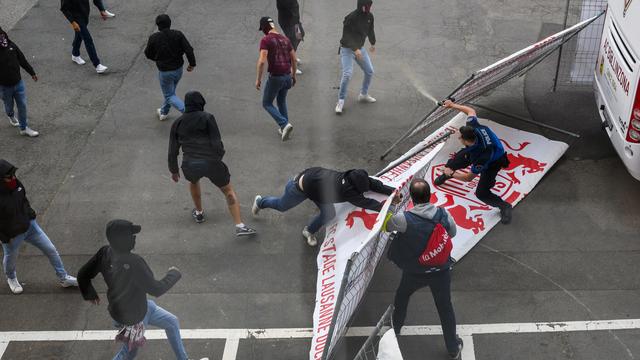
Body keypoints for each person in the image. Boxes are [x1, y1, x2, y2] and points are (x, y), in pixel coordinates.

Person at [78, 220, 191, 360]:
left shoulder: (105, 252)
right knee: (128, 353)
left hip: (134, 307)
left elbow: (83, 274)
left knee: (172, 322)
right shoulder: (134, 262)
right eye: (131, 235)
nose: (134, 238)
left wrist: (89, 293)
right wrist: (173, 274)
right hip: (133, 319)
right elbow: (156, 289)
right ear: (123, 239)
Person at [383, 179, 463, 359]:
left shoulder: (403, 219)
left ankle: (395, 332)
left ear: (412, 197)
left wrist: (392, 205)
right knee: (445, 308)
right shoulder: (443, 214)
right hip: (440, 272)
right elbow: (452, 233)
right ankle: (452, 347)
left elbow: (386, 225)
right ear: (430, 196)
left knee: (401, 298)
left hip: (414, 272)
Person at [168, 91, 257, 236]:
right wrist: (218, 158)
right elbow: (216, 142)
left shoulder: (177, 123)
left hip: (190, 163)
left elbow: (173, 149)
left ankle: (199, 212)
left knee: (194, 182)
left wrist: (174, 170)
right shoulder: (207, 118)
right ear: (201, 102)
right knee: (228, 190)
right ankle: (239, 225)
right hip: (211, 161)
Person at [252, 167, 398, 246]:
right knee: (282, 206)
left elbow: (373, 184)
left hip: (315, 181)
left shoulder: (355, 176)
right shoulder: (347, 191)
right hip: (300, 188)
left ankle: (308, 231)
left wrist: (393, 192)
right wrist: (385, 208)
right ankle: (261, 202)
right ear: (354, 187)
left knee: (328, 213)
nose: (366, 189)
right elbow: (365, 202)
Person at [0, 159, 78, 294]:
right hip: (12, 234)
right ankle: (11, 278)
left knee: (51, 249)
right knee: (10, 259)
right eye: (9, 177)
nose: (13, 178)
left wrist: (30, 212)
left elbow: (23, 199)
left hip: (30, 226)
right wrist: (5, 238)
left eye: (13, 175)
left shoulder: (15, 184)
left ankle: (63, 277)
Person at [434, 100, 513, 224]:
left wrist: (451, 173)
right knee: (454, 162)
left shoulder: (482, 158)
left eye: (460, 137)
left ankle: (504, 206)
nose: (458, 138)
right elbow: (471, 111)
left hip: (493, 161)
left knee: (482, 192)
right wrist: (452, 105)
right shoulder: (473, 127)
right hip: (475, 151)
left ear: (466, 141)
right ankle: (447, 173)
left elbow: (468, 178)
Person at [144, 14, 196, 121]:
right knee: (171, 93)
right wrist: (192, 64)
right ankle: (164, 112)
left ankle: (190, 114)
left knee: (169, 95)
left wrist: (158, 59)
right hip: (178, 70)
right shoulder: (178, 34)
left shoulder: (154, 38)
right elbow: (189, 50)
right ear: (170, 23)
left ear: (158, 26)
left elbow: (148, 54)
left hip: (165, 72)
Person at [256, 16, 297, 142]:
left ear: (264, 28)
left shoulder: (266, 40)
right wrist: (293, 75)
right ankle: (284, 128)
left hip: (276, 77)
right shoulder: (285, 39)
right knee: (281, 100)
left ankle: (284, 124)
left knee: (267, 103)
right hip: (287, 77)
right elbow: (294, 59)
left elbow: (262, 61)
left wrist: (258, 79)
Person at [335, 0, 377, 114]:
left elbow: (370, 30)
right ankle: (341, 101)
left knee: (369, 71)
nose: (368, 8)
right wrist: (355, 49)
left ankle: (363, 94)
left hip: (360, 49)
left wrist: (373, 43)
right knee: (347, 74)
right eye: (367, 5)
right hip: (347, 49)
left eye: (370, 5)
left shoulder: (369, 17)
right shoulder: (351, 18)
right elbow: (346, 37)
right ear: (361, 5)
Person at [0, 27, 39, 137]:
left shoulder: (11, 45)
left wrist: (32, 73)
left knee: (22, 105)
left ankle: (23, 128)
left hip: (18, 83)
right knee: (9, 105)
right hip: (4, 87)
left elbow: (22, 59)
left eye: (2, 34)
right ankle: (10, 115)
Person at [60, 0, 108, 73]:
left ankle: (75, 54)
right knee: (87, 39)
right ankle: (97, 65)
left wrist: (101, 9)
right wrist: (72, 22)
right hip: (76, 18)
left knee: (79, 34)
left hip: (85, 13)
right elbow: (64, 9)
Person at [276, 0, 304, 75]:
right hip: (289, 23)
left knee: (299, 36)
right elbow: (286, 9)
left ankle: (291, 56)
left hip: (294, 21)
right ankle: (290, 66)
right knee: (293, 41)